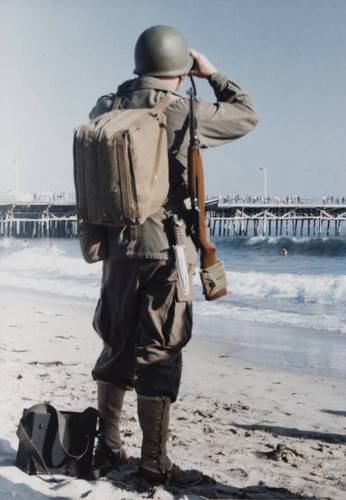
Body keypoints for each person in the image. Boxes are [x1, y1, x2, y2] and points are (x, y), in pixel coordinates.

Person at [85, 25, 258, 487]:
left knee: (116, 342)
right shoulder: (184, 109)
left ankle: (106, 451)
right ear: (179, 70)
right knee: (160, 349)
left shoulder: (107, 106)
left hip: (115, 250)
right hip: (167, 247)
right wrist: (213, 73)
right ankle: (153, 464)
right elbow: (245, 116)